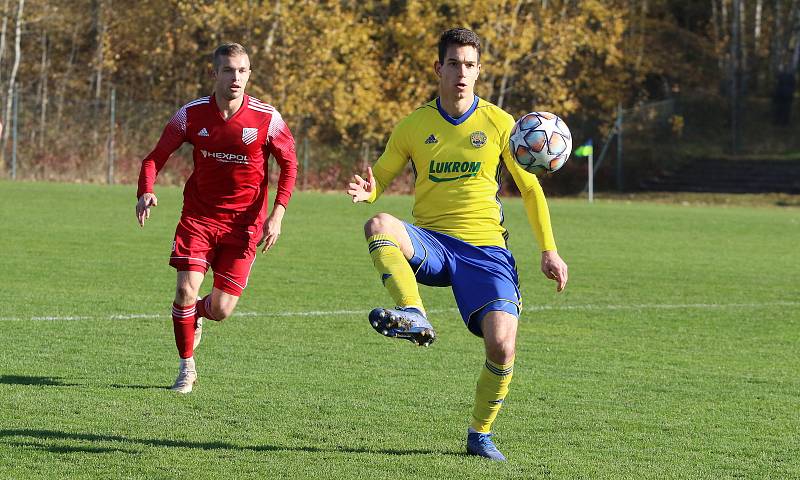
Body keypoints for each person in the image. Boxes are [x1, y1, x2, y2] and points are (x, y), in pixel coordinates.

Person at [346, 28, 568, 461]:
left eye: (470, 65)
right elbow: (382, 176)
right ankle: (413, 313)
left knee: (502, 344)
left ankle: (479, 434)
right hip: (432, 243)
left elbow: (530, 190)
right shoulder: (414, 125)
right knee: (379, 224)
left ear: (479, 70)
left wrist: (549, 248)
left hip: (486, 253)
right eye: (453, 64)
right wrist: (369, 191)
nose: (462, 73)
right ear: (438, 68)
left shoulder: (501, 124)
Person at [136, 43, 297, 394]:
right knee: (184, 290)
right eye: (228, 70)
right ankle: (186, 367)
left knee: (222, 309)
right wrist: (145, 190)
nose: (235, 78)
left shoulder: (267, 119)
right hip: (199, 218)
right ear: (214, 74)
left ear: (249, 74)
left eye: (242, 71)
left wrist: (277, 215)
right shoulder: (190, 115)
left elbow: (289, 164)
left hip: (244, 225)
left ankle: (196, 316)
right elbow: (154, 158)